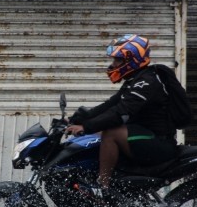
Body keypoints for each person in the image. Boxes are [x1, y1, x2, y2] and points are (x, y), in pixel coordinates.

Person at [65, 34, 185, 198]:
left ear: (132, 60)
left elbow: (120, 112)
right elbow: (110, 105)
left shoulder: (147, 82)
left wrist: (86, 127)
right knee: (94, 137)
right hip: (144, 136)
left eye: (118, 60)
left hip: (159, 142)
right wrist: (77, 119)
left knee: (111, 133)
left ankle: (103, 187)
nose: (113, 64)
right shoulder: (135, 80)